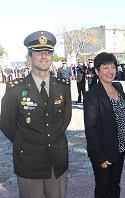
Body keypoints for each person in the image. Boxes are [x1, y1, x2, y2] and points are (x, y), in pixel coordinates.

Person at [0, 30, 72, 198]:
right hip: (29, 161)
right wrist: (27, 143)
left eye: (48, 52)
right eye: (39, 52)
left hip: (57, 160)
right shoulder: (15, 90)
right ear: (30, 58)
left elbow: (65, 119)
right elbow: (6, 124)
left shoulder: (63, 86)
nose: (44, 56)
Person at [83, 52, 125, 198]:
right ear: (97, 71)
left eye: (113, 67)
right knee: (103, 188)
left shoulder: (118, 87)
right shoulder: (92, 95)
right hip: (103, 151)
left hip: (120, 148)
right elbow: (91, 129)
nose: (110, 71)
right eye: (105, 67)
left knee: (115, 186)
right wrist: (99, 157)